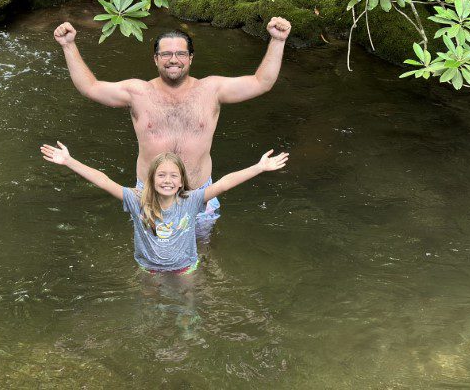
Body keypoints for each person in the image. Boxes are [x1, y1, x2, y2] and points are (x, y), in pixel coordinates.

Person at [53, 18, 292, 233]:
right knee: (152, 260)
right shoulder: (137, 92)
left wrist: (278, 40)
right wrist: (68, 45)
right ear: (156, 59)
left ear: (190, 58)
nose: (173, 60)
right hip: (150, 197)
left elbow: (262, 82)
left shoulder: (212, 89)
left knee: (201, 254)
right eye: (166, 54)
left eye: (180, 53)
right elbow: (90, 87)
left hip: (199, 195)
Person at [40, 142, 288, 273]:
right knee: (150, 306)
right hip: (148, 268)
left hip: (185, 267)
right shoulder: (137, 200)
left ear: (181, 181)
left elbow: (223, 184)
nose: (167, 180)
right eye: (161, 175)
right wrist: (70, 161)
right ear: (151, 180)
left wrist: (259, 167)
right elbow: (104, 181)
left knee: (188, 305)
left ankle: (188, 328)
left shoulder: (192, 201)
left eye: (173, 176)